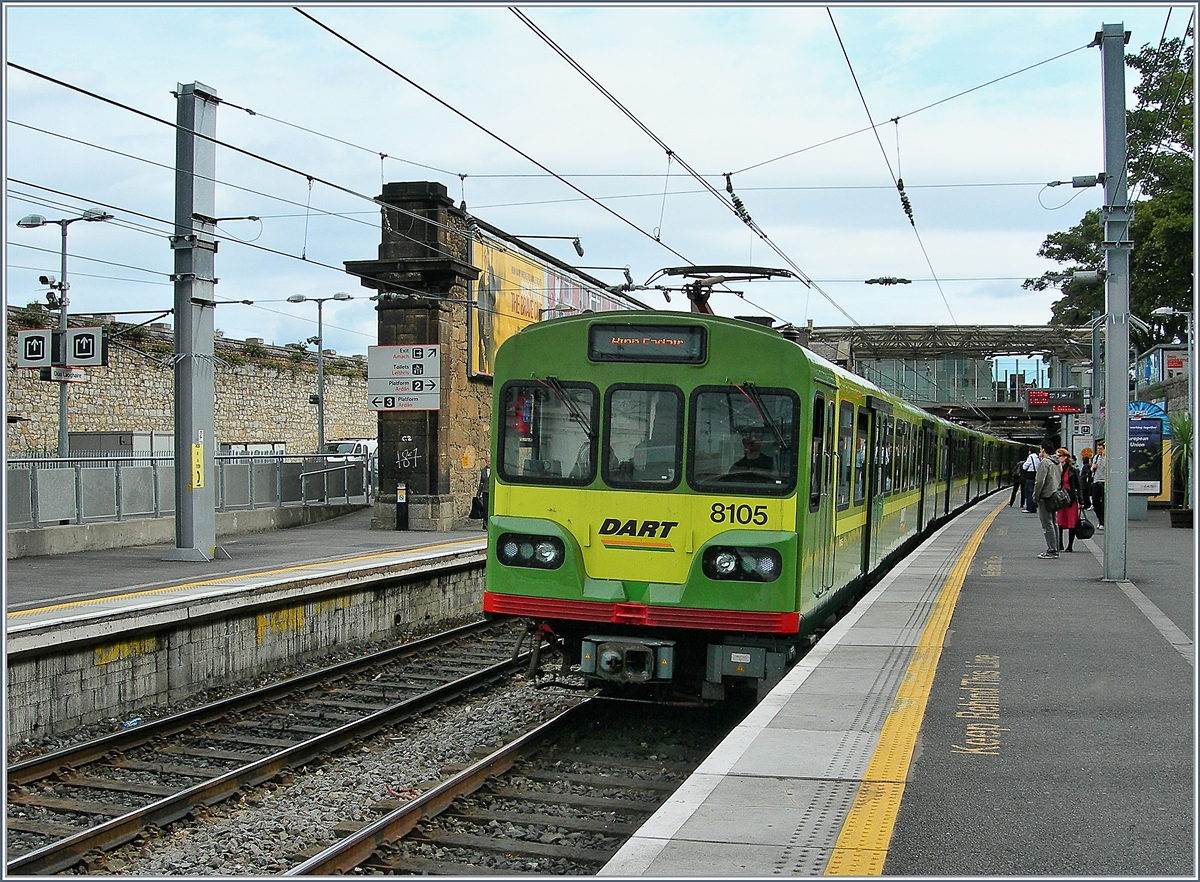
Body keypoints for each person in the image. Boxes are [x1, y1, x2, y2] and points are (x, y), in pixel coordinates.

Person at [1032, 440, 1062, 559]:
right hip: (1054, 495)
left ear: (1043, 450)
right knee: (1053, 522)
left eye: (1040, 450)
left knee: (1047, 524)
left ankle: (1052, 550)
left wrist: (1036, 495)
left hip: (1045, 496)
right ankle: (1055, 548)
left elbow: (1040, 481)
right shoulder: (1057, 462)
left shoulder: (1045, 462)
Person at [1055, 448, 1083, 552]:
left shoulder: (1072, 470)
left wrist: (1081, 501)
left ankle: (1070, 545)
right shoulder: (1056, 468)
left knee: (1072, 522)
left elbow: (1078, 486)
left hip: (1071, 499)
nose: (1058, 458)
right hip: (1060, 499)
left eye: (1060, 456)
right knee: (1060, 521)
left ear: (1065, 457)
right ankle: (1060, 544)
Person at [1091, 439, 1106, 530]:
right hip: (1096, 481)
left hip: (1104, 482)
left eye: (1101, 449)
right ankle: (1100, 519)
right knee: (1096, 503)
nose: (1099, 451)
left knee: (1104, 503)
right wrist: (1093, 468)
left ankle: (1102, 522)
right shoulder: (1096, 457)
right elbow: (1092, 470)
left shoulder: (1107, 458)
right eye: (1098, 449)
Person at [1020, 446, 1040, 512]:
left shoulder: (1030, 457)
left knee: (1029, 492)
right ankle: (1034, 507)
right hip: (1036, 475)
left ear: (1030, 451)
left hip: (1030, 476)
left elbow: (1024, 467)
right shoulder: (1038, 457)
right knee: (1034, 492)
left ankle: (1029, 507)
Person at [1079, 447, 1093, 511]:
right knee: (1085, 494)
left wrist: (1082, 477)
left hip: (1084, 483)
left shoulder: (1086, 466)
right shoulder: (1087, 466)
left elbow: (1087, 474)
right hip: (1085, 482)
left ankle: (1087, 504)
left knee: (1085, 494)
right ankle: (1087, 504)